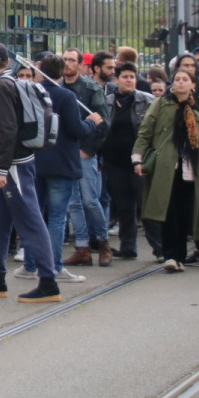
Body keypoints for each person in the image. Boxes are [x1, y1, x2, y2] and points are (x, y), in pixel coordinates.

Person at [0, 43, 61, 303]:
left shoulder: (1, 87)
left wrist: (2, 167)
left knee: (30, 220)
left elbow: (6, 130)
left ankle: (48, 280)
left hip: (13, 165)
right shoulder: (11, 82)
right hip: (11, 162)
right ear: (7, 61)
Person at [13, 55, 103, 284]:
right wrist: (92, 122)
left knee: (36, 216)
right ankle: (54, 266)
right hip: (62, 162)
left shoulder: (31, 93)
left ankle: (31, 264)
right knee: (57, 218)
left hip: (35, 161)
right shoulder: (65, 95)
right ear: (61, 73)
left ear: (40, 71)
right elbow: (76, 129)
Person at [133, 67, 199, 273]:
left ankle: (180, 256)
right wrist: (137, 159)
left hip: (192, 169)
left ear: (193, 85)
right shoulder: (161, 105)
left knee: (187, 212)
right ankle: (170, 256)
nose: (181, 83)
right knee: (168, 210)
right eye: (177, 79)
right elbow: (145, 131)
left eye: (186, 79)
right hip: (166, 168)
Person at [60, 48, 111, 267]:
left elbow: (103, 123)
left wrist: (88, 149)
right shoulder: (58, 87)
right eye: (64, 60)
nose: (67, 64)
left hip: (84, 153)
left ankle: (103, 242)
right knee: (73, 203)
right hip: (65, 153)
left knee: (90, 200)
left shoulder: (91, 88)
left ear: (81, 65)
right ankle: (82, 247)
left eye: (72, 60)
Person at [104, 61, 156, 260]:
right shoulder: (107, 101)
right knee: (124, 206)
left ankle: (159, 248)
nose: (129, 80)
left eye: (132, 77)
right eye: (125, 77)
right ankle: (128, 247)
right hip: (115, 162)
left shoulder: (148, 101)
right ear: (116, 80)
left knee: (145, 204)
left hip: (139, 163)